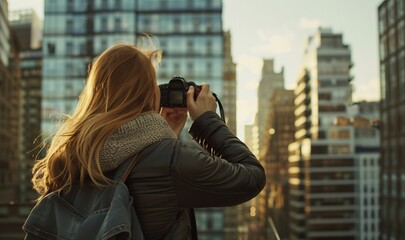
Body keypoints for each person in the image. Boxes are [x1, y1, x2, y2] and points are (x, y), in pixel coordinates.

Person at [32, 43, 266, 239]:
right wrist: (206, 121)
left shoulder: (71, 151)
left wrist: (166, 135)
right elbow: (251, 178)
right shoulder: (167, 159)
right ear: (145, 93)